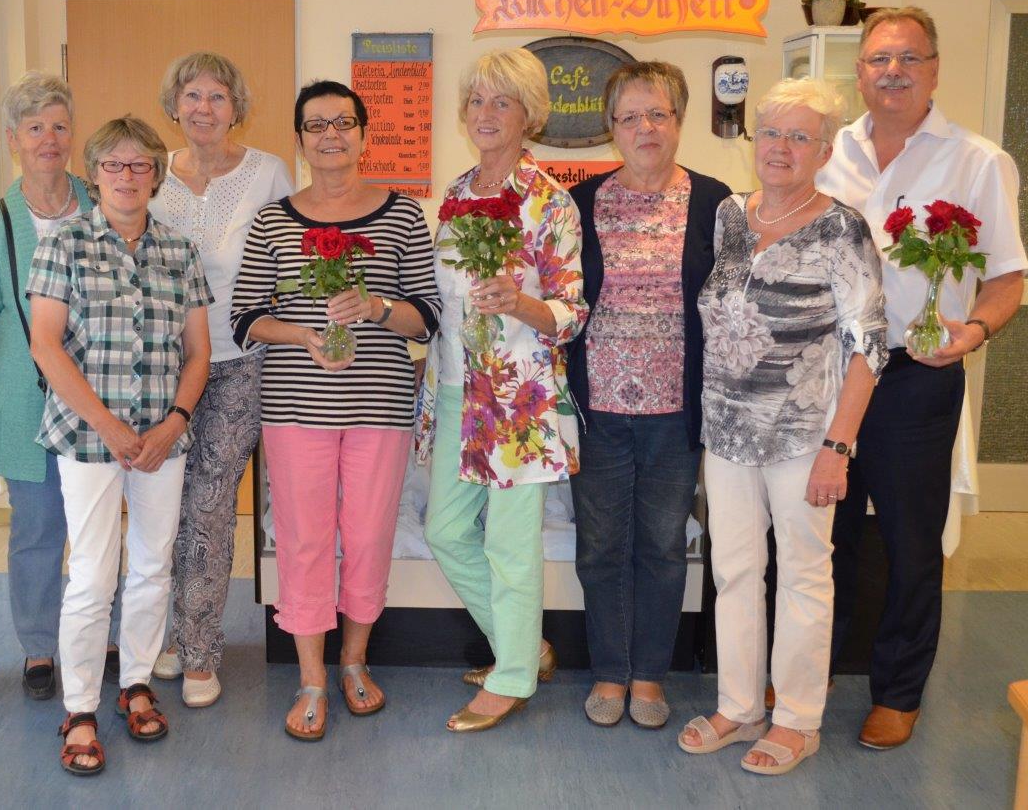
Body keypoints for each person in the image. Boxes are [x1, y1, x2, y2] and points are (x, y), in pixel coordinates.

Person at [818, 6, 1027, 750]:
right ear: (860, 71)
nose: (893, 71)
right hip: (827, 378)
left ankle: (898, 691)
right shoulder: (825, 150)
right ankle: (806, 678)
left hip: (915, 377)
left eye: (909, 58)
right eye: (878, 59)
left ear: (935, 67)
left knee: (910, 544)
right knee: (821, 537)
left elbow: (1008, 277)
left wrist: (973, 330)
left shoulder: (977, 160)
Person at [678, 78, 889, 775]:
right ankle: (740, 705)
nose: (782, 148)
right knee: (735, 572)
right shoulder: (730, 215)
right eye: (772, 133)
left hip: (805, 435)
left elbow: (869, 344)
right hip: (728, 430)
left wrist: (839, 445)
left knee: (804, 575)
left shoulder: (843, 227)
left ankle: (798, 718)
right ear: (755, 140)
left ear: (824, 150)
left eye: (801, 136)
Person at [230, 80, 439, 741]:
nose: (330, 136)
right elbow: (244, 318)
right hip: (295, 408)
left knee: (372, 535)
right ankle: (312, 675)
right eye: (316, 125)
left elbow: (428, 319)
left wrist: (376, 308)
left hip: (379, 407)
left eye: (343, 123)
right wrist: (303, 335)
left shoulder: (403, 216)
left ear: (364, 134)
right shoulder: (273, 220)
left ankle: (355, 661)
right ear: (299, 140)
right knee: (305, 539)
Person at [27, 116, 212, 775]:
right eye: (114, 165)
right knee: (93, 572)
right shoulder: (64, 244)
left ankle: (136, 681)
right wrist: (108, 424)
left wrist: (175, 422)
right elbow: (45, 343)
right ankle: (79, 707)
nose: (128, 177)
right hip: (86, 436)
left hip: (163, 438)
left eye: (140, 166)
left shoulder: (179, 251)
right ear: (94, 172)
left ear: (156, 175)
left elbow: (197, 351)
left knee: (152, 565)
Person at [419, 48, 587, 733]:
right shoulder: (456, 194)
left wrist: (520, 303)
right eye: (476, 102)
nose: (485, 115)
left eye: (502, 103)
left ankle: (512, 673)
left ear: (528, 116)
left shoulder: (549, 201)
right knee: (446, 530)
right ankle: (525, 645)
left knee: (511, 546)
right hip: (457, 390)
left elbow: (572, 308)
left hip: (519, 400)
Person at [566, 61, 731, 729]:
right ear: (612, 128)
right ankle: (609, 670)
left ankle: (651, 678)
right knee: (601, 546)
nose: (644, 128)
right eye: (630, 116)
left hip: (676, 411)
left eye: (657, 113)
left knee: (663, 545)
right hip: (598, 407)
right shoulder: (578, 203)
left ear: (679, 120)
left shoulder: (719, 203)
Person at [0, 72, 129, 701]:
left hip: (104, 402)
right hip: (23, 403)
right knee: (37, 530)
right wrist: (30, 367)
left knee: (102, 529)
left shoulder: (106, 205)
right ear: (14, 141)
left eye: (60, 125)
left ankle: (107, 636)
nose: (49, 139)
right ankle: (39, 646)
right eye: (35, 128)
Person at [148, 52, 293, 707]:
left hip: (239, 360)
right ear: (173, 104)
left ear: (237, 106)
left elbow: (289, 269)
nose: (203, 107)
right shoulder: (151, 173)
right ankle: (177, 631)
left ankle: (201, 649)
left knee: (208, 498)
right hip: (162, 365)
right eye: (191, 94)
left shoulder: (267, 173)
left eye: (217, 95)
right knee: (164, 503)